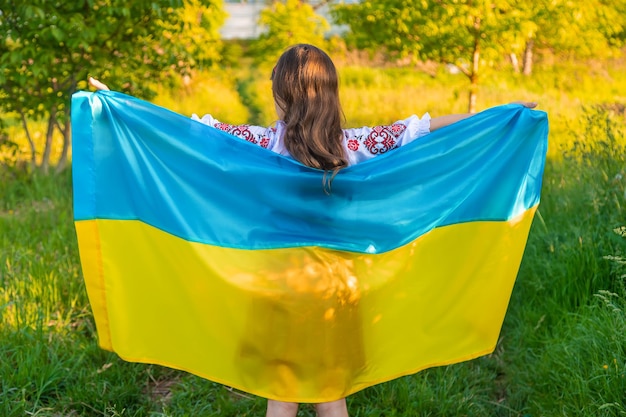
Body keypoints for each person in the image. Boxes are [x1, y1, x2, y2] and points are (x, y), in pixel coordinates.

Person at [89, 43, 537, 417]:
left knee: (281, 396)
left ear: (282, 95)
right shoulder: (354, 146)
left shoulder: (261, 146)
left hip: (279, 285)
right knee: (330, 394)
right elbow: (417, 132)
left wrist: (120, 107)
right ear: (330, 93)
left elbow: (190, 131)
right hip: (337, 288)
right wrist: (499, 116)